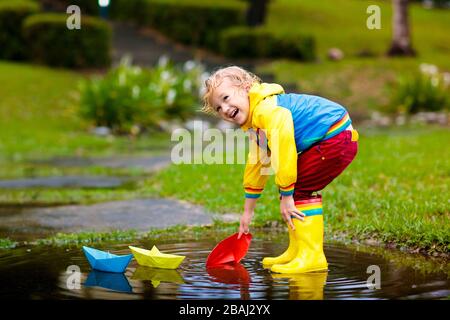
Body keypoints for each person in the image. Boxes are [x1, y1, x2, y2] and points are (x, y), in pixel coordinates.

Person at [202, 66, 358, 274]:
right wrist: (247, 213)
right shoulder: (255, 121)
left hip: (335, 137)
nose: (225, 108)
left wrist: (286, 194)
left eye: (226, 97)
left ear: (246, 88)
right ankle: (297, 251)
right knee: (293, 191)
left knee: (297, 190)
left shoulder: (266, 110)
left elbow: (284, 147)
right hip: (332, 137)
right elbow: (257, 164)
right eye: (218, 108)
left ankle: (312, 257)